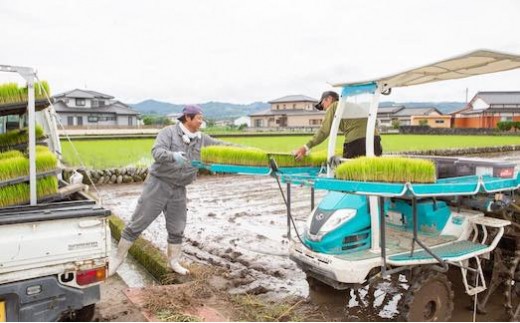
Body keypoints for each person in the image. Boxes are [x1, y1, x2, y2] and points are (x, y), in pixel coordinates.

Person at [109, 104, 230, 276]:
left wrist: (250, 152)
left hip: (179, 188)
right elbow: (157, 151)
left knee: (177, 226)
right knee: (138, 222)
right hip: (158, 184)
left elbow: (223, 146)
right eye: (199, 118)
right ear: (188, 118)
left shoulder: (202, 139)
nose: (201, 121)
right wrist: (172, 156)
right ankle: (118, 258)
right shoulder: (169, 132)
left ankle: (174, 261)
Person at [293, 91, 382, 160]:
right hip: (375, 140)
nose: (324, 109)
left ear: (329, 99)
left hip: (357, 142)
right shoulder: (351, 106)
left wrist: (306, 147)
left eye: (322, 104)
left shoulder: (334, 106)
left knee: (347, 174)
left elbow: (324, 131)